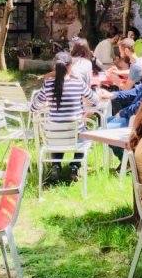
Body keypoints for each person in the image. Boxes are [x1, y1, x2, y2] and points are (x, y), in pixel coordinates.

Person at [30, 51, 99, 183]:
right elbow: (95, 100)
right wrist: (84, 108)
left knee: (59, 128)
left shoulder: (48, 84)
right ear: (70, 66)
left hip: (52, 137)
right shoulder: (78, 83)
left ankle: (56, 165)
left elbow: (33, 107)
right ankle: (74, 166)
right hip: (75, 136)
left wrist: (45, 104)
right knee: (85, 133)